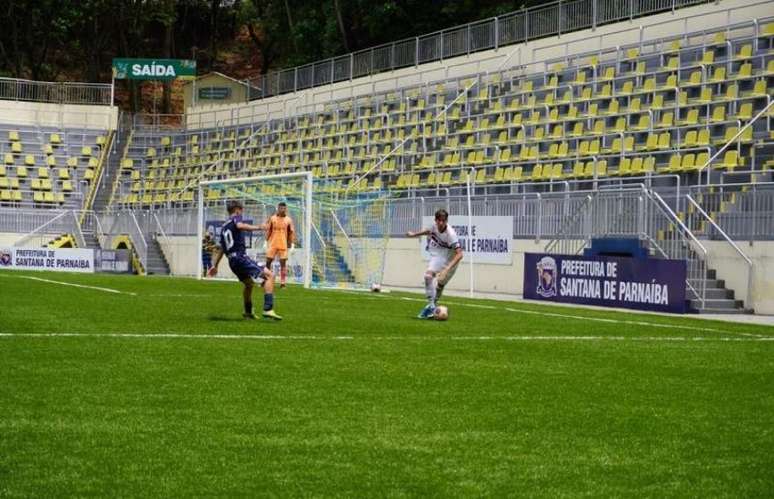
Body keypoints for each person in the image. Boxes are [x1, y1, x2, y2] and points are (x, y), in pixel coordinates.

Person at [208, 200, 282, 320]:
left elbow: (221, 248)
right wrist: (259, 227)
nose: (242, 213)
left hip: (232, 261)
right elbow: (240, 225)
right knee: (269, 276)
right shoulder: (236, 218)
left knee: (249, 284)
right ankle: (268, 309)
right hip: (240, 258)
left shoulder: (224, 226)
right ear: (237, 210)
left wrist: (215, 265)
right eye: (241, 210)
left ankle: (248, 312)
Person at [406, 209, 464, 319]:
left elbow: (460, 254)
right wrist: (414, 234)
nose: (441, 223)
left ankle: (431, 307)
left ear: (446, 221)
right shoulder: (434, 226)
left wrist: (446, 269)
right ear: (435, 220)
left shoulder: (451, 234)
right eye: (439, 220)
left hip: (451, 260)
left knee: (440, 284)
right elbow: (428, 231)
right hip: (439, 256)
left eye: (443, 220)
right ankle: (432, 307)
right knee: (428, 276)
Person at [265, 201, 295, 288]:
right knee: (268, 262)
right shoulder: (272, 218)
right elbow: (269, 230)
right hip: (273, 244)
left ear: (286, 209)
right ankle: (265, 280)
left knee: (283, 264)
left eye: (284, 208)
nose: (283, 210)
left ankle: (282, 283)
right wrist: (265, 242)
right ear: (278, 208)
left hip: (283, 244)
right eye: (281, 208)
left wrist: (292, 244)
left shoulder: (288, 220)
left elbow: (291, 233)